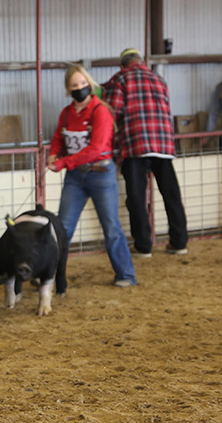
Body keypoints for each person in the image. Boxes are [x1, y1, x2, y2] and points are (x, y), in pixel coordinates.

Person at [49, 66, 137, 287]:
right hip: (75, 177)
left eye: (82, 83)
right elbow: (59, 137)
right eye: (74, 85)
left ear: (90, 84)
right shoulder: (67, 113)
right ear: (68, 90)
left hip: (100, 173)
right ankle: (51, 274)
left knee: (111, 226)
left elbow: (96, 148)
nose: (80, 88)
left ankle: (126, 274)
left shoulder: (101, 111)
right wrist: (52, 154)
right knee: (63, 228)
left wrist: (63, 162)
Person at [102, 48, 188, 256]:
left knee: (137, 197)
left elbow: (112, 112)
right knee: (171, 194)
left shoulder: (120, 79)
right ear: (140, 61)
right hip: (163, 144)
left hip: (135, 144)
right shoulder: (159, 79)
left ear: (123, 65)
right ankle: (179, 242)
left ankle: (143, 246)